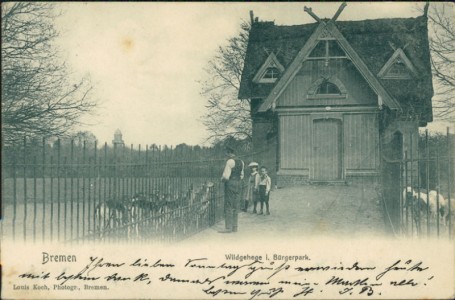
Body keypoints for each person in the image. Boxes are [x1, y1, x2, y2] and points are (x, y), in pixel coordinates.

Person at [219, 145, 244, 233]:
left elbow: (226, 176)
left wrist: (221, 180)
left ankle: (228, 228)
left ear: (228, 153)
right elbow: (242, 175)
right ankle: (235, 227)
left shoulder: (230, 161)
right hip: (238, 183)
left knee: (228, 205)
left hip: (230, 184)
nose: (225, 155)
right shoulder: (241, 161)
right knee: (236, 205)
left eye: (226, 153)